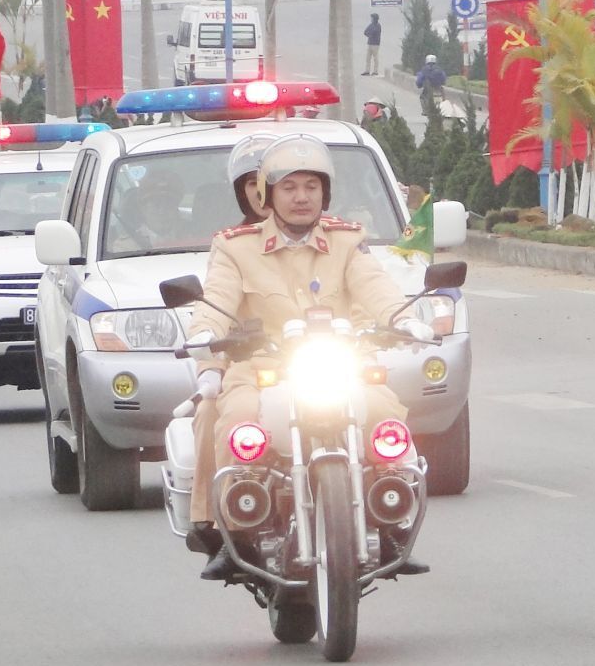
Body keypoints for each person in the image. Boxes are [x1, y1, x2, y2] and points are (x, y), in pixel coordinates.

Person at [184, 134, 436, 579]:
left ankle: (391, 516)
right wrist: (205, 332)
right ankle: (231, 532)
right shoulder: (235, 246)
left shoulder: (346, 240)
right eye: (289, 187)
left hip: (338, 362)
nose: (302, 197)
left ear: (325, 192)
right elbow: (216, 298)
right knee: (234, 416)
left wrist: (407, 318)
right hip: (262, 368)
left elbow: (374, 284)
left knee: (384, 412)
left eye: (311, 187)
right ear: (267, 194)